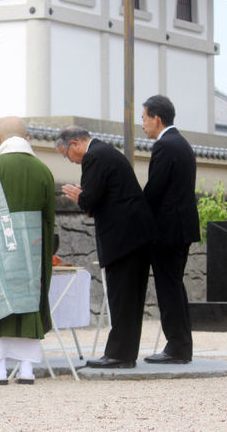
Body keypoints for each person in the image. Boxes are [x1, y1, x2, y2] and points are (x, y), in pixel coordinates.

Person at [0, 116, 54, 385]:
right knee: (28, 305)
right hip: (32, 255)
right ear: (27, 139)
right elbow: (49, 220)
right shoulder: (43, 170)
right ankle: (27, 369)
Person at [57, 125, 155, 368]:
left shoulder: (93, 156)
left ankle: (118, 355)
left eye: (65, 154)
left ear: (75, 144)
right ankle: (124, 353)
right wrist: (86, 195)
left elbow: (91, 198)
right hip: (137, 235)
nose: (69, 160)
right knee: (130, 297)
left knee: (122, 296)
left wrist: (78, 196)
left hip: (123, 238)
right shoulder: (105, 152)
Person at [141, 95, 199, 364]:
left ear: (157, 118)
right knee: (175, 286)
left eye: (144, 119)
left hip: (167, 231)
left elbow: (155, 190)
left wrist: (135, 211)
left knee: (169, 288)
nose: (142, 125)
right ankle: (181, 346)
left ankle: (177, 348)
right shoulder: (183, 144)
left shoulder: (165, 145)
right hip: (182, 228)